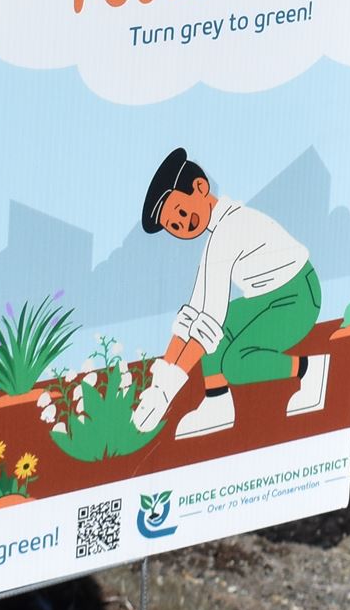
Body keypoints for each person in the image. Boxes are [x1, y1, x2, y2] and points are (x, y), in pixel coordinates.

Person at [130, 147, 328, 441]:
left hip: (298, 296)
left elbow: (210, 315)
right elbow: (195, 310)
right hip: (268, 297)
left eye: (181, 212)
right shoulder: (217, 236)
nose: (183, 224)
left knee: (236, 362)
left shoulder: (228, 230)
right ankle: (217, 400)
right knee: (218, 330)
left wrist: (168, 391)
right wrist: (159, 382)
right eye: (174, 225)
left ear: (200, 187)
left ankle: (310, 369)